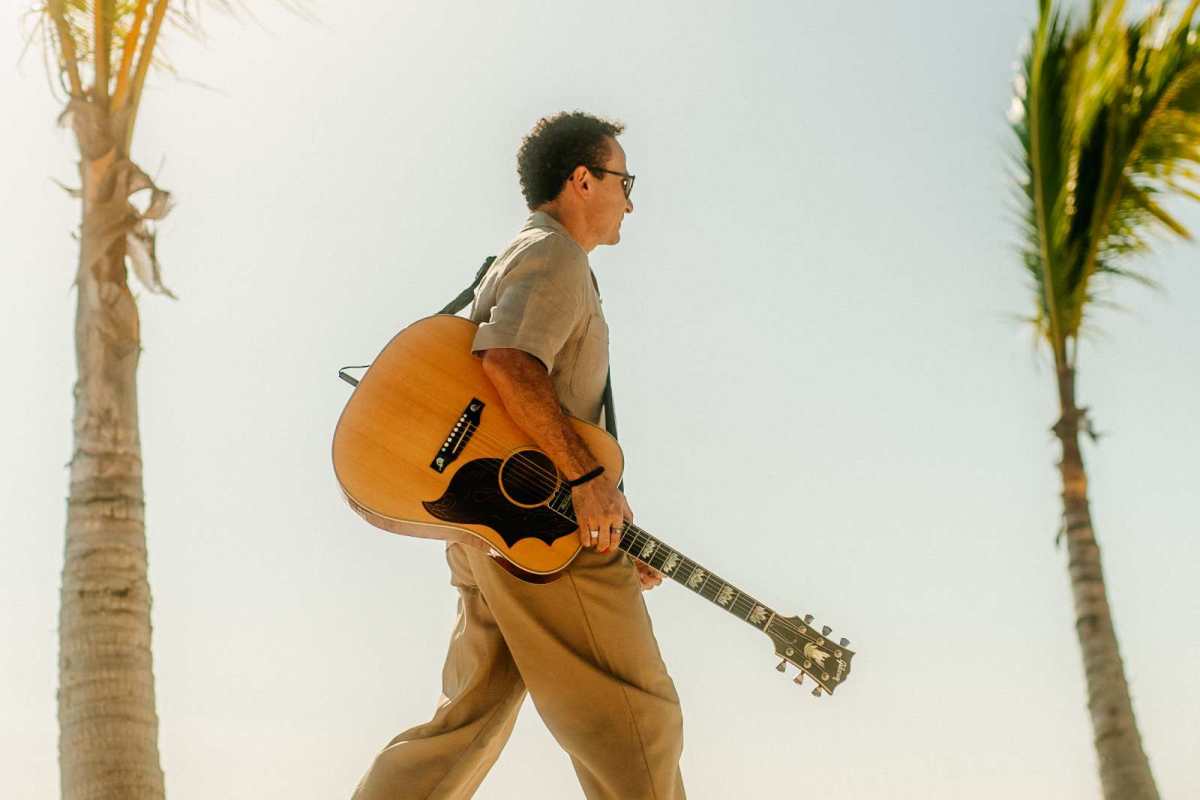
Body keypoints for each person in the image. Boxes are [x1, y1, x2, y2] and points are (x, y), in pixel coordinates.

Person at [351, 112, 686, 800]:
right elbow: (508, 361)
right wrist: (587, 480)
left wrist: (610, 504)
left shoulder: (522, 253)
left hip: (493, 531)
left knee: (464, 726)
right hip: (543, 537)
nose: (630, 201)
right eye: (624, 182)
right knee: (637, 718)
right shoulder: (555, 254)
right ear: (583, 180)